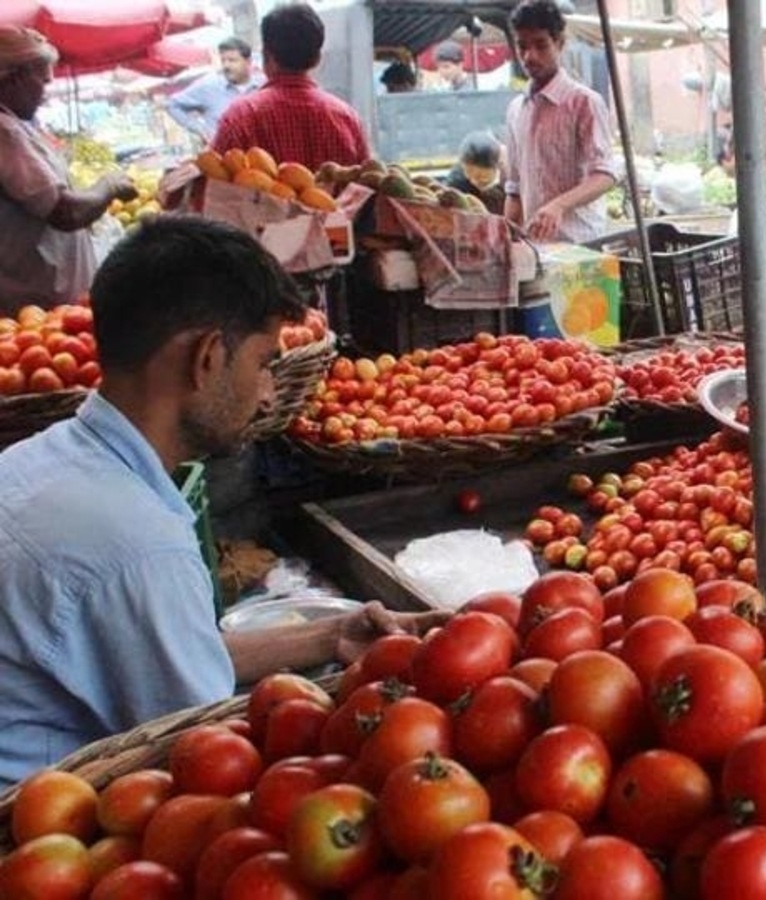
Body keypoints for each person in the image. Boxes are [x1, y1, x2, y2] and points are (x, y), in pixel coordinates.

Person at [0, 216, 450, 787]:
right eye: (263, 363)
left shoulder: (44, 459)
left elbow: (161, 652)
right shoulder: (135, 543)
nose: (267, 395)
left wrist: (328, 637)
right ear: (208, 357)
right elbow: (208, 754)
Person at [0, 26, 137, 311]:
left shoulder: (15, 127)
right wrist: (109, 185)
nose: (46, 92)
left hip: (44, 307)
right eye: (43, 81)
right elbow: (65, 211)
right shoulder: (5, 133)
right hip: (35, 310)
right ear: (13, 78)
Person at [503, 0, 618, 243]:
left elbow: (605, 175)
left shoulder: (584, 103)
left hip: (582, 246)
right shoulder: (516, 110)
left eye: (541, 45)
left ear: (560, 43)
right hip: (536, 250)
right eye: (522, 46)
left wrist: (559, 205)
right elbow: (514, 190)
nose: (529, 56)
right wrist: (506, 239)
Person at [211, 3, 370, 168]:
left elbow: (211, 186)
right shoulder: (347, 119)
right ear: (317, 58)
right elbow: (368, 186)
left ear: (266, 55)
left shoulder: (239, 118)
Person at [165, 36, 263, 141]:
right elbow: (172, 104)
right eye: (223, 61)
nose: (226, 66)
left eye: (232, 60)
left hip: (263, 153)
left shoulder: (264, 85)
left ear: (248, 62)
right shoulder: (209, 86)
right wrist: (201, 129)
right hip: (225, 153)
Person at [445, 131, 508, 215]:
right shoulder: (457, 180)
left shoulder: (511, 178)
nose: (474, 181)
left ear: (498, 165)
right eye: (468, 174)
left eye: (481, 178)